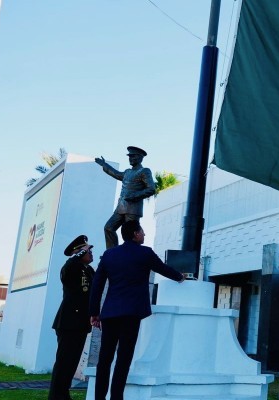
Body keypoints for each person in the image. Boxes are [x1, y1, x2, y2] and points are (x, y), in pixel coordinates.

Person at [89, 220, 184, 400]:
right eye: (142, 231)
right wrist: (180, 277)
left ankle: (99, 398)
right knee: (124, 358)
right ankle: (117, 397)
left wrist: (94, 312)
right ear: (135, 234)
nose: (144, 235)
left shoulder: (109, 255)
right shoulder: (145, 253)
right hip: (131, 314)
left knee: (104, 359)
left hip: (109, 314)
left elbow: (97, 285)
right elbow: (163, 269)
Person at [48, 235, 95, 400]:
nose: (91, 253)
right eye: (88, 250)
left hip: (81, 323)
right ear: (79, 252)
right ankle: (56, 396)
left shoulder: (88, 270)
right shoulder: (70, 268)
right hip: (68, 322)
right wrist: (79, 254)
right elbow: (69, 267)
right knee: (63, 362)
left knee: (72, 363)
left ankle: (63, 394)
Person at [94, 146, 155, 249]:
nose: (130, 158)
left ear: (140, 158)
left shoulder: (144, 171)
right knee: (108, 228)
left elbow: (151, 189)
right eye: (129, 156)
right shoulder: (127, 172)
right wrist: (104, 164)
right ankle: (113, 253)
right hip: (121, 208)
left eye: (133, 156)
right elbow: (116, 174)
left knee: (131, 235)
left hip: (133, 209)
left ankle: (132, 254)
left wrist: (134, 196)